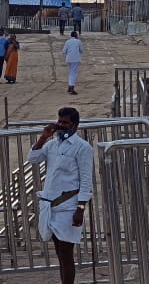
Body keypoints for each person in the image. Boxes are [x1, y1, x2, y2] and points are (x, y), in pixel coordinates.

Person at [27, 107, 93, 284]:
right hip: (51, 206)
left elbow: (86, 180)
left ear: (75, 126)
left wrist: (80, 208)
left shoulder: (82, 147)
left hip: (68, 207)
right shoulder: (52, 144)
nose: (62, 126)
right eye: (60, 122)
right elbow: (32, 158)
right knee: (59, 254)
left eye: (66, 123)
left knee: (66, 255)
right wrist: (44, 137)